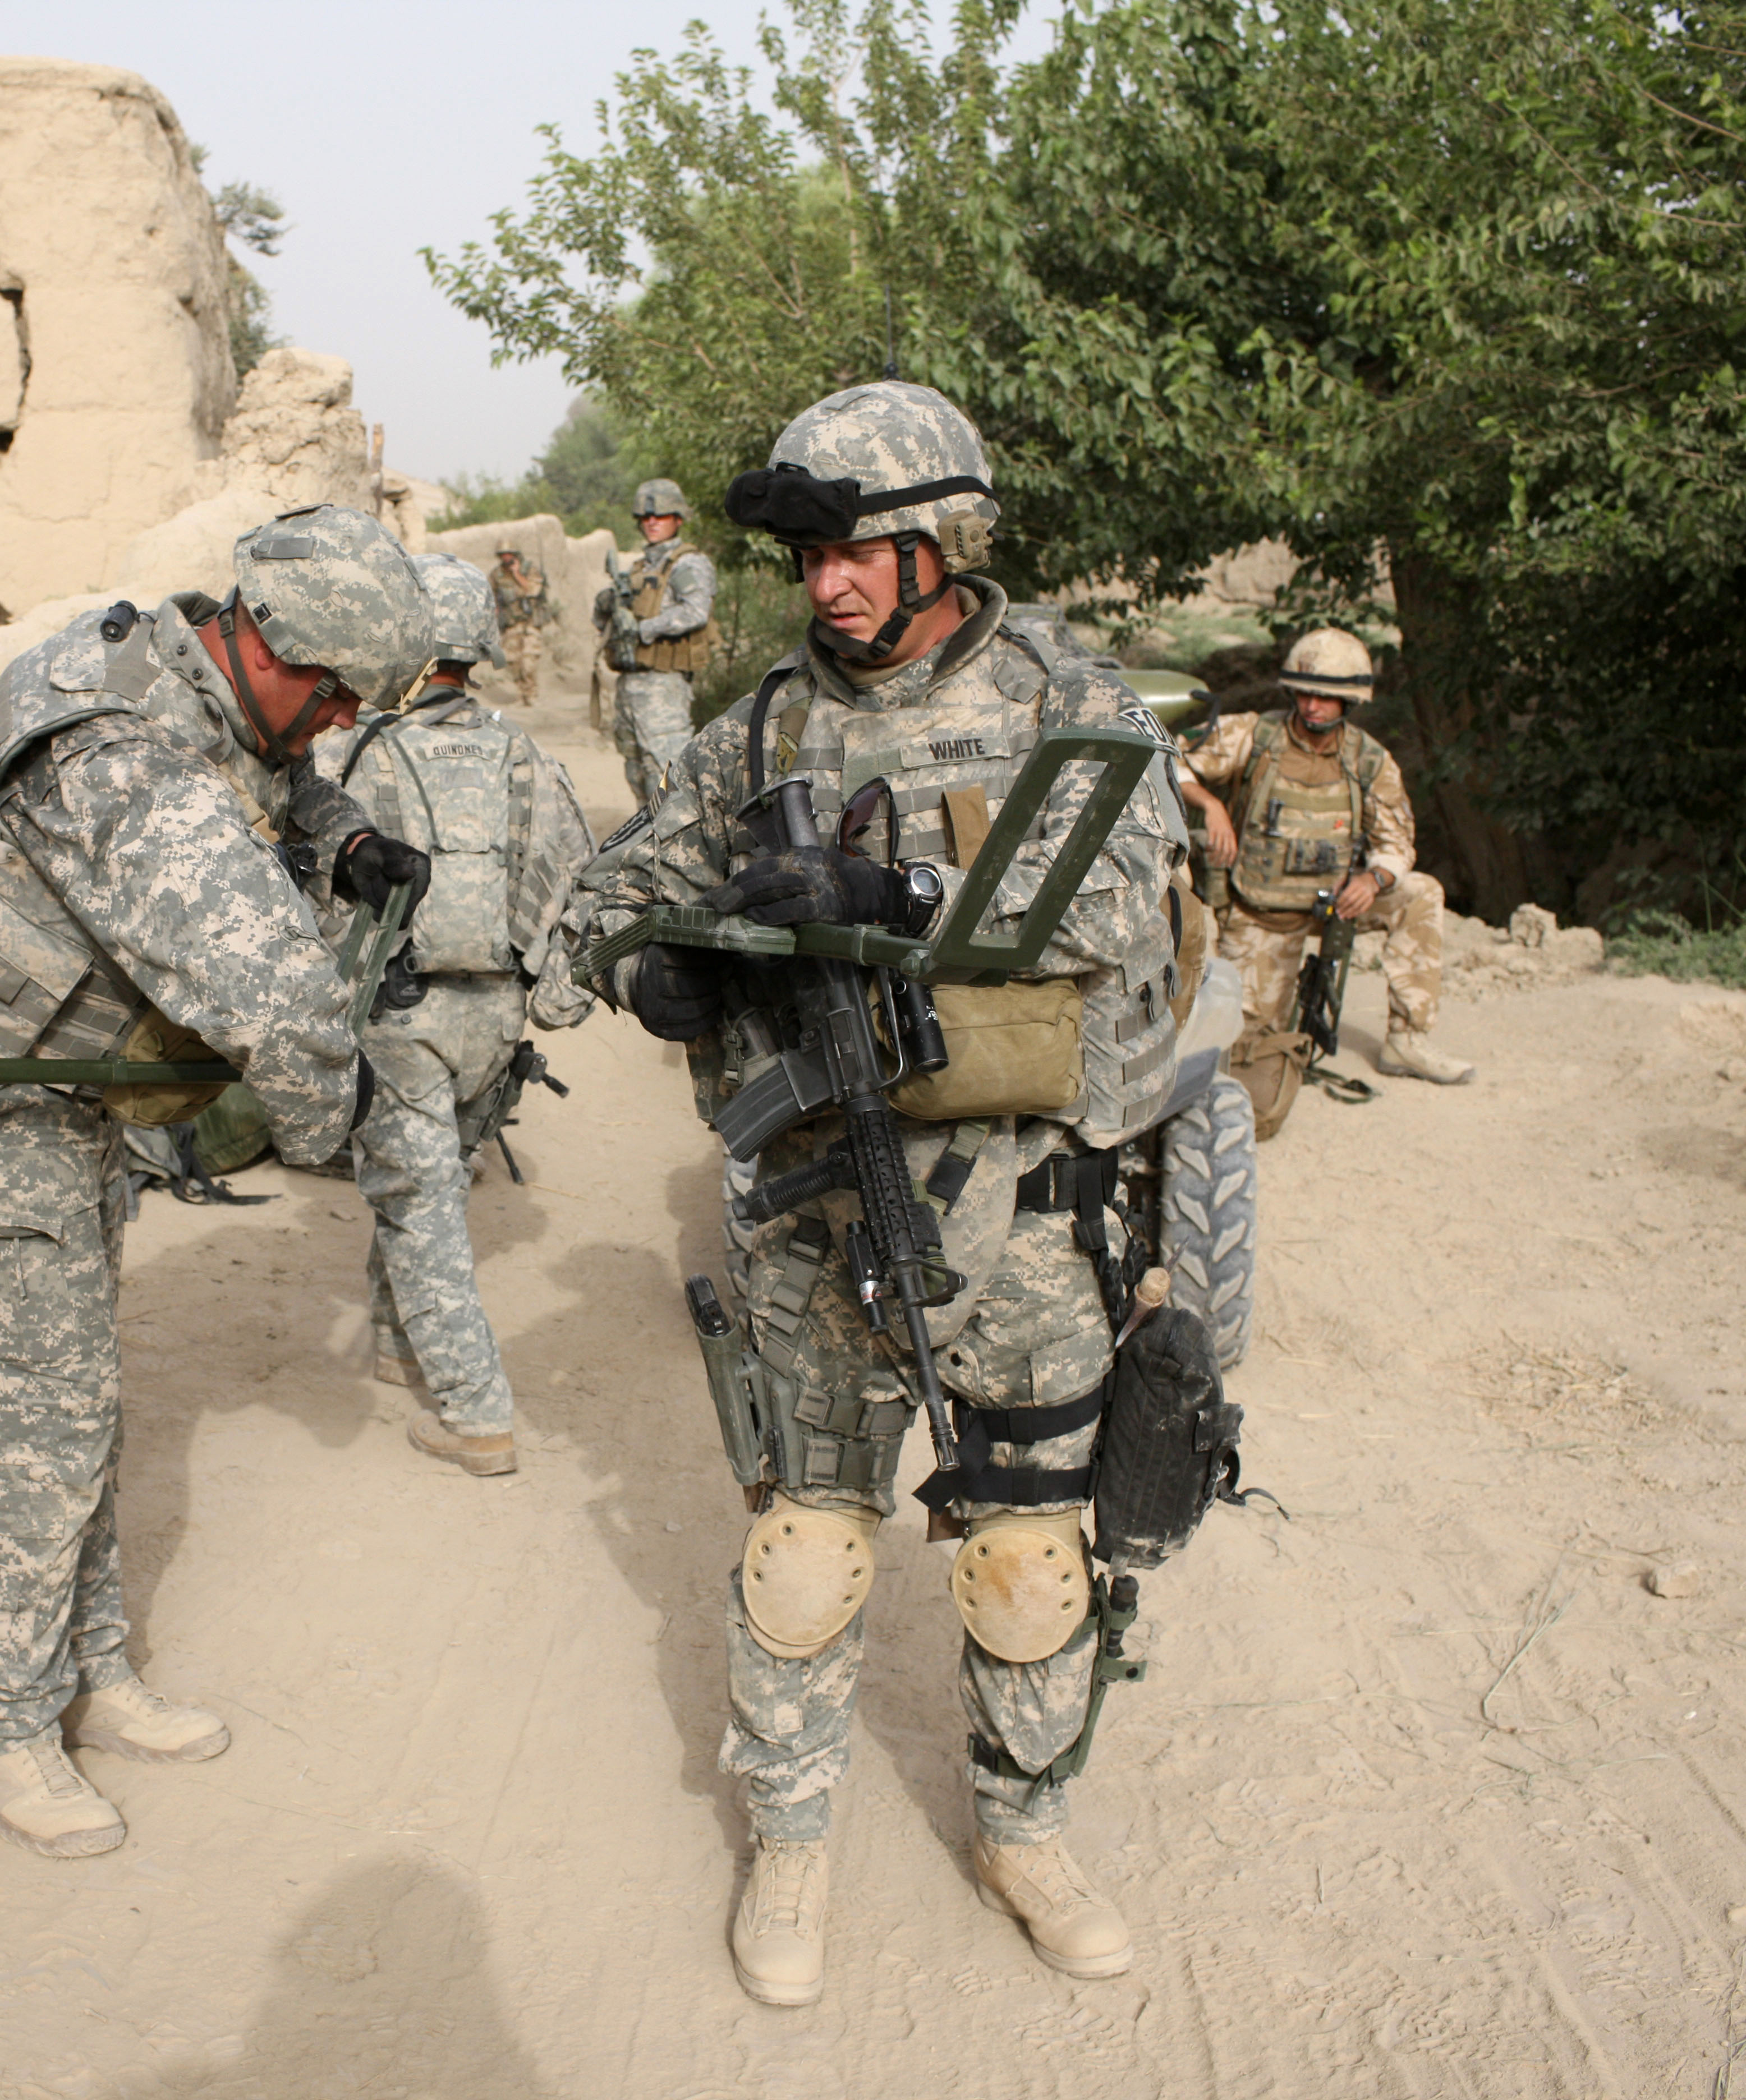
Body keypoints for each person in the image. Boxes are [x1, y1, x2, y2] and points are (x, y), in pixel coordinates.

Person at [572, 383, 1192, 2006]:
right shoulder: (768, 722)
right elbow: (612, 888)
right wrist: (662, 965)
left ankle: (1026, 1830)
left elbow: (1118, 896)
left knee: (1029, 1555)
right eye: (806, 555)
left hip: (1025, 1207)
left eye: (858, 550)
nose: (828, 582)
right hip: (815, 1199)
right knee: (808, 1546)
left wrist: (890, 889)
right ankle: (789, 1839)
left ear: (945, 543)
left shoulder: (1067, 690)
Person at [0, 504, 434, 1860]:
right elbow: (279, 1004)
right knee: (23, 1428)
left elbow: (273, 783)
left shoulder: (188, 667)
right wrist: (338, 1127)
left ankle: (87, 1671)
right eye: (332, 694)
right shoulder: (115, 753)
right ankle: (3, 1725)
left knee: (78, 1400)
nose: (335, 720)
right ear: (276, 645)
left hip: (46, 1095)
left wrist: (341, 840)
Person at [316, 552, 597, 1477]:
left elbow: (324, 892)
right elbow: (573, 875)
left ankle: (478, 1415)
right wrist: (548, 991)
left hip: (407, 1014)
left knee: (421, 1202)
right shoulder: (524, 752)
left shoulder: (370, 753)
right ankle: (399, 1343)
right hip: (495, 1020)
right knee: (422, 1185)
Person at [1178, 628, 1476, 1084]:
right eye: (1304, 693)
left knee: (1420, 893)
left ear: (1350, 701)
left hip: (1333, 904)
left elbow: (1397, 844)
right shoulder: (1256, 736)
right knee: (1248, 1047)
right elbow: (1167, 757)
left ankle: (1408, 1040)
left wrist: (1374, 880)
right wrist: (1210, 804)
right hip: (1260, 915)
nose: (1312, 705)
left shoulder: (1369, 761)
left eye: (1326, 697)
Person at [593, 478, 719, 807]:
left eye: (661, 516)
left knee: (666, 775)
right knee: (636, 770)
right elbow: (604, 623)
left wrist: (643, 629)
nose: (652, 522)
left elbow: (696, 611)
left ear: (678, 519)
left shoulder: (686, 563)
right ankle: (647, 842)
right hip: (631, 684)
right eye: (646, 517)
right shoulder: (639, 568)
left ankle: (671, 845)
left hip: (663, 685)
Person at [488, 542, 551, 706]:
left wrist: (517, 574)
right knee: (513, 662)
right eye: (503, 554)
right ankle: (521, 695)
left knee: (529, 662)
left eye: (509, 554)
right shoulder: (497, 575)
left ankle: (532, 694)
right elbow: (490, 595)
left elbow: (533, 590)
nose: (506, 557)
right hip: (511, 624)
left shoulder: (529, 570)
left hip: (530, 623)